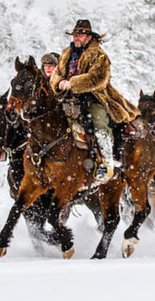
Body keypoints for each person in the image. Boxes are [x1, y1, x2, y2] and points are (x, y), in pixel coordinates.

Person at [50, 19, 140, 180]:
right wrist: (58, 82)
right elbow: (55, 74)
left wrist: (72, 83)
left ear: (89, 36)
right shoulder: (65, 54)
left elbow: (98, 78)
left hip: (93, 98)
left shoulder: (99, 55)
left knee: (99, 125)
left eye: (80, 34)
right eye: (75, 34)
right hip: (67, 99)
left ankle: (106, 164)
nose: (77, 37)